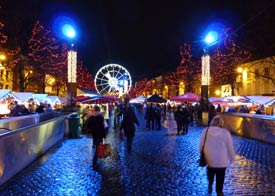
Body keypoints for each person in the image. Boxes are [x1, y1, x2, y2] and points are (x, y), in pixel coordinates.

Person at [199, 116, 235, 196]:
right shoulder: (225, 132)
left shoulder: (206, 131)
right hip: (221, 159)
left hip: (209, 158)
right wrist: (232, 158)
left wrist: (202, 152)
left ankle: (210, 185)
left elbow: (201, 144)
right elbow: (230, 147)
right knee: (220, 176)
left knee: (210, 172)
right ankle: (219, 191)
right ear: (221, 123)